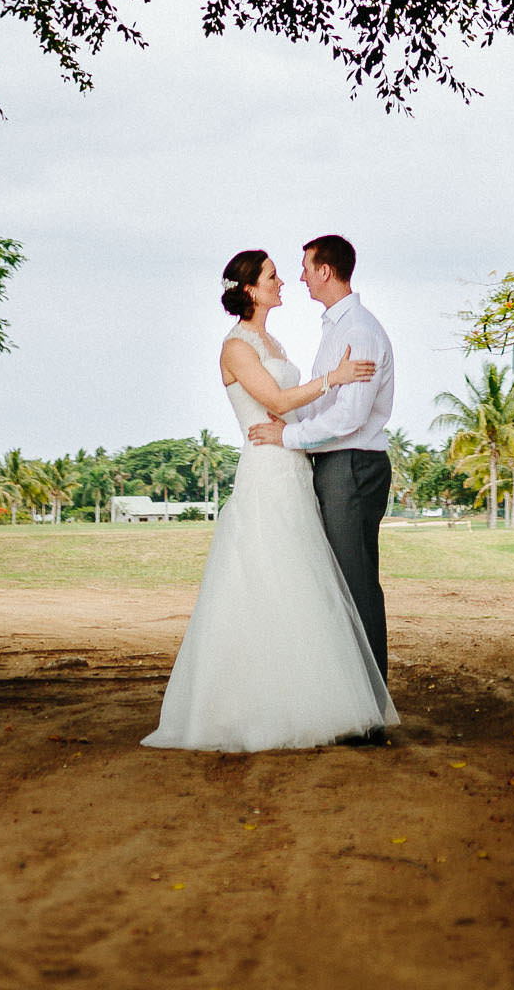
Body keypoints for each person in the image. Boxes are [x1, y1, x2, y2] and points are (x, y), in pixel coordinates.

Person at [141, 246, 400, 754]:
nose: (286, 281)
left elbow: (296, 410)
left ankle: (321, 697)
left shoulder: (274, 339)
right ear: (250, 290)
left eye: (292, 272)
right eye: (274, 276)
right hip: (268, 467)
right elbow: (279, 403)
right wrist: (334, 379)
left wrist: (302, 424)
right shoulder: (237, 346)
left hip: (295, 467)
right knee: (266, 579)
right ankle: (259, 701)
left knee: (307, 584)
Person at [245, 234, 395, 687]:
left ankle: (370, 703)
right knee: (341, 583)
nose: (300, 277)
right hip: (336, 464)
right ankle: (349, 690)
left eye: (306, 266)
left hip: (351, 464)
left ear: (325, 270)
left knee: (356, 584)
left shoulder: (359, 331)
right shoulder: (337, 329)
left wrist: (288, 435)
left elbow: (349, 416)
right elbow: (324, 406)